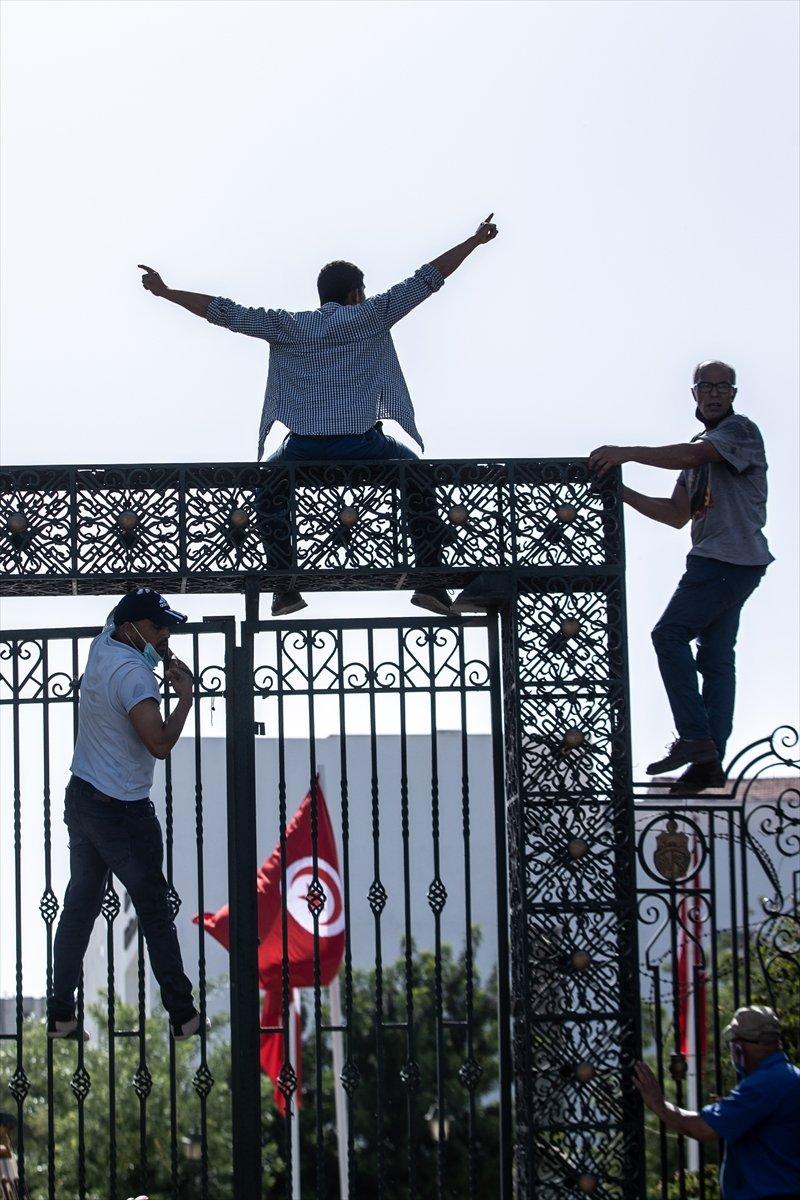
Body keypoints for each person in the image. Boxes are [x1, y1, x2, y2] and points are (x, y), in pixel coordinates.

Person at [138, 214, 499, 616]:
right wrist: (473, 241)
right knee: (416, 475)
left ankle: (285, 585)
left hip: (302, 450)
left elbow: (223, 312)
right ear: (356, 294)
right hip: (364, 446)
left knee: (269, 489)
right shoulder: (371, 314)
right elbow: (427, 279)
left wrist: (166, 292)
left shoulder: (288, 326)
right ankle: (430, 582)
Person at [589, 361, 772, 794]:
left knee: (668, 635)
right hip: (728, 563)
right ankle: (709, 761)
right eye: (705, 387)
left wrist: (627, 452)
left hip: (723, 561)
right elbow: (675, 515)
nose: (713, 394)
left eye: (722, 387)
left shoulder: (737, 433)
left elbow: (694, 456)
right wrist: (621, 492)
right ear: (694, 393)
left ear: (733, 393)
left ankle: (695, 739)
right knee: (714, 658)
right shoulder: (700, 447)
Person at [48, 588, 202, 1042]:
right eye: (158, 627)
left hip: (83, 797)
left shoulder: (104, 644)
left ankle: (60, 1015)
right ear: (134, 629)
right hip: (122, 811)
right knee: (155, 908)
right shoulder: (133, 677)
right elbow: (158, 743)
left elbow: (117, 614)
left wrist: (160, 648)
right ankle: (183, 1015)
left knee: (79, 907)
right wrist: (185, 697)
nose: (165, 634)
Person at [634, 1005, 800, 1200]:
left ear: (745, 1045)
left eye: (734, 1041)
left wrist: (659, 1106)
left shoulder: (764, 1084)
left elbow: (703, 1129)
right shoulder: (790, 1077)